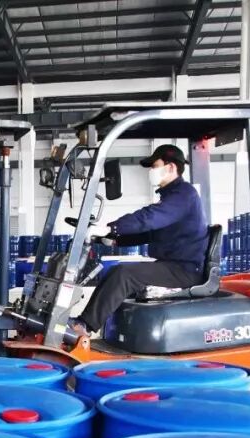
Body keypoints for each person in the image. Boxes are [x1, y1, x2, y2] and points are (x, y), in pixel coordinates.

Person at [71, 144, 209, 337]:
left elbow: (148, 219)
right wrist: (113, 239)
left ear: (171, 167)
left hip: (185, 270)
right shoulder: (172, 197)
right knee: (114, 273)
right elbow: (150, 233)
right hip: (174, 266)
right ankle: (100, 328)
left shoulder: (183, 195)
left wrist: (112, 228)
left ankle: (84, 326)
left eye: (155, 166)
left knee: (124, 274)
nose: (151, 171)